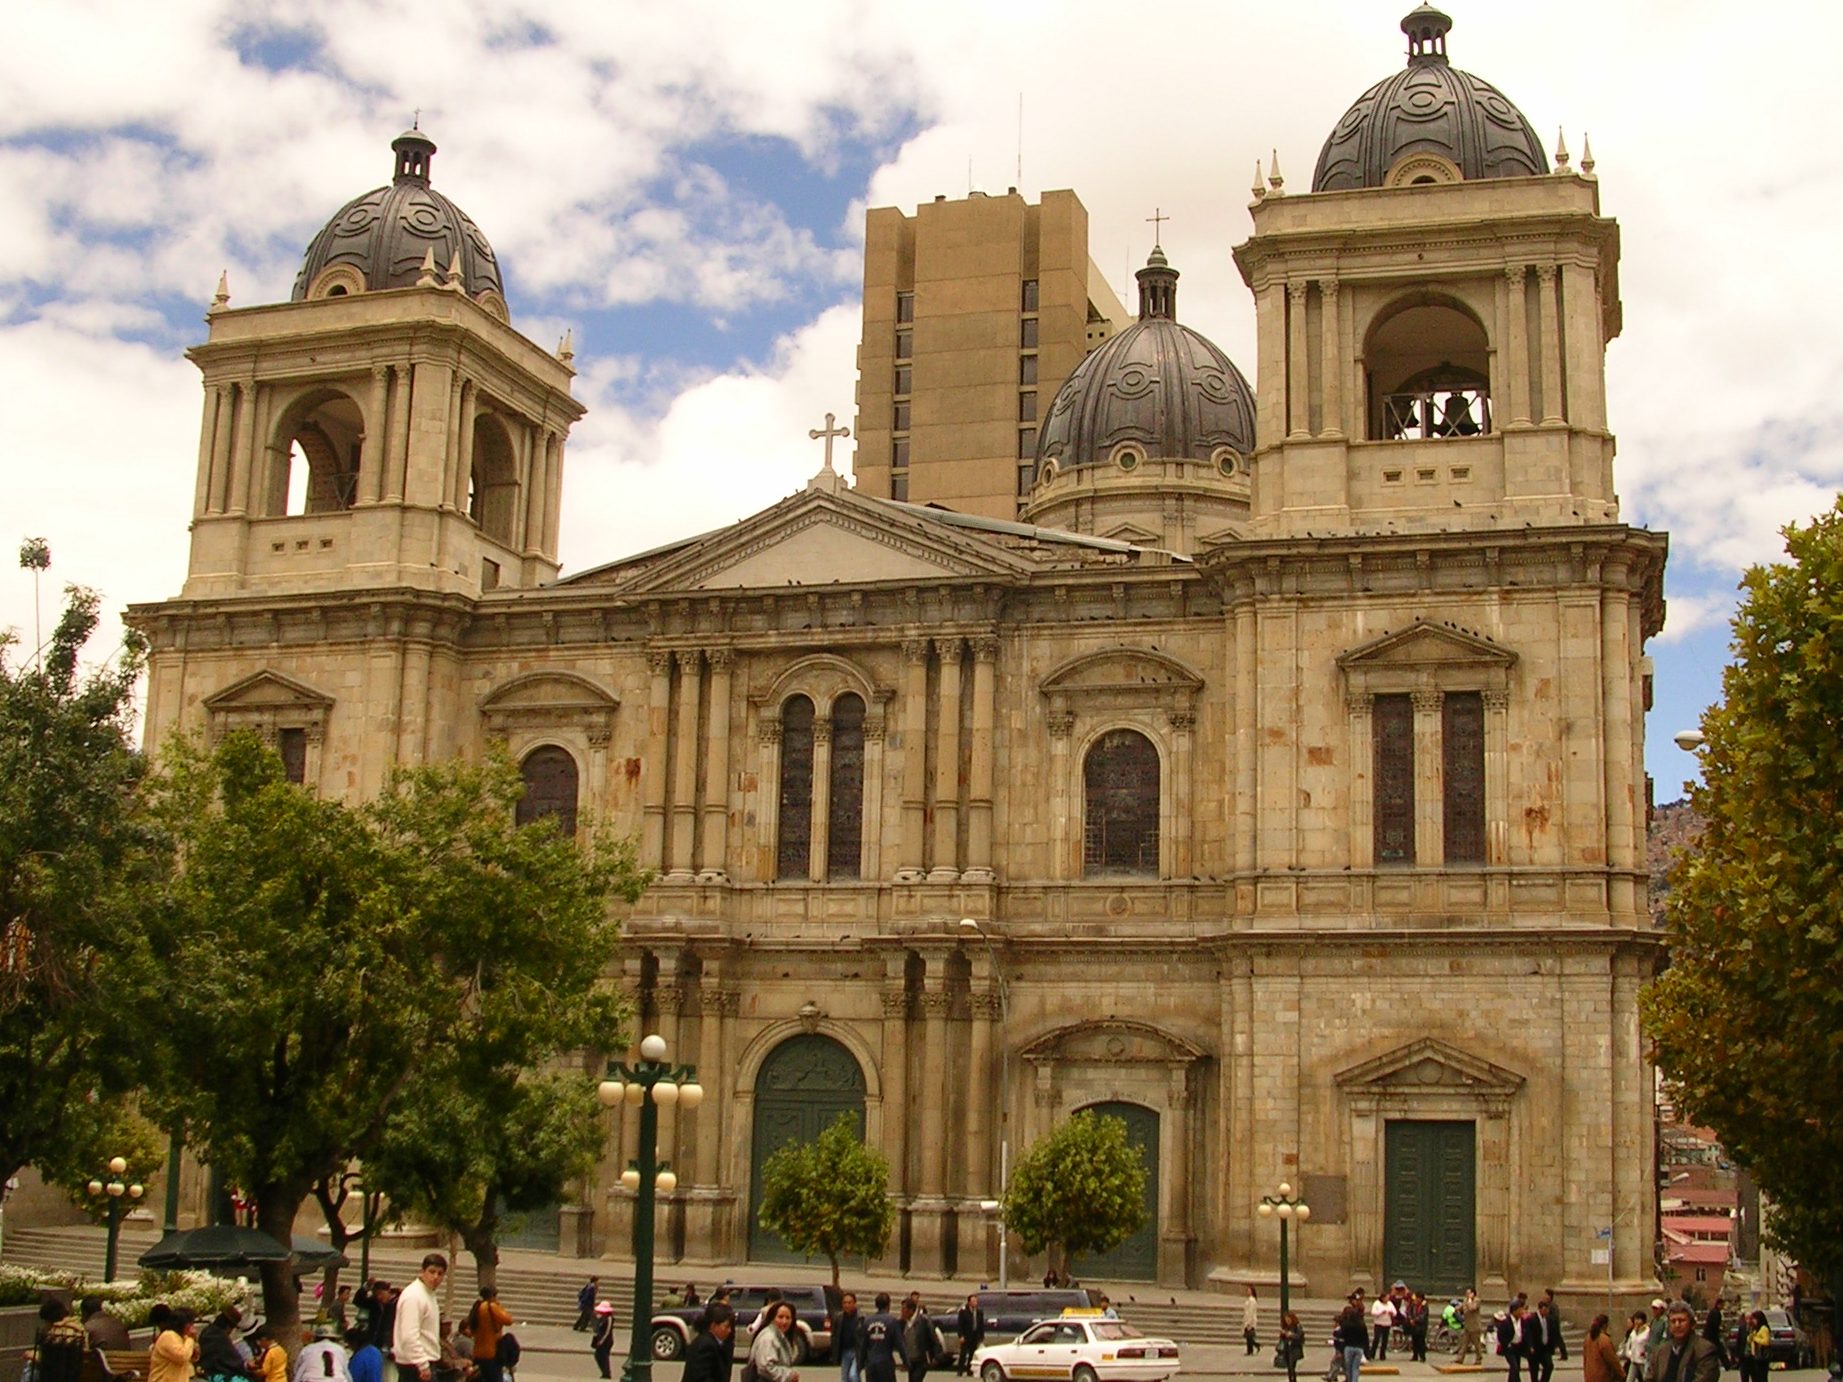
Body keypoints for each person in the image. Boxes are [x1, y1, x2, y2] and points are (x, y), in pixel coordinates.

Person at [394, 1254, 449, 1382]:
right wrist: (422, 1364)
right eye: (432, 1272)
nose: (435, 1277)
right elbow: (409, 1335)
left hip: (423, 1360)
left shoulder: (427, 1293)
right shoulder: (414, 1296)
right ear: (423, 1271)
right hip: (416, 1364)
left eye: (440, 1274)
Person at [1644, 1301, 1720, 1382]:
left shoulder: (1704, 1350)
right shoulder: (1659, 1352)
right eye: (1673, 1321)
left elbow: (1705, 1378)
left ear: (1692, 1324)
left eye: (1681, 1320)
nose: (1677, 1325)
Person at [30, 1298, 90, 1382]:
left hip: (54, 1376)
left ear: (49, 1320)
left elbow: (48, 1361)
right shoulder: (80, 1329)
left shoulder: (52, 1334)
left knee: (29, 1366)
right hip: (76, 1375)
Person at [465, 1287, 514, 1382]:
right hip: (492, 1352)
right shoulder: (490, 1307)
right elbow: (508, 1320)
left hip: (479, 1352)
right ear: (492, 1296)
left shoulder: (477, 1306)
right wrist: (498, 1306)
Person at [860, 1293, 906, 1382]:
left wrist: (861, 1362)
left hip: (871, 1362)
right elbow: (900, 1343)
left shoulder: (867, 1321)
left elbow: (863, 1344)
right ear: (888, 1305)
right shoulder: (892, 1321)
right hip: (886, 1362)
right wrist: (906, 1361)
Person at [751, 1302, 803, 1382]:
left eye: (788, 1318)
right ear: (772, 1318)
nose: (784, 1321)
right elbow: (766, 1367)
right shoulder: (768, 1338)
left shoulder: (779, 1336)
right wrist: (789, 1375)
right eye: (780, 1317)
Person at [684, 1303, 734, 1382]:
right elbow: (701, 1377)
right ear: (713, 1325)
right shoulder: (706, 1345)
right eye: (726, 1326)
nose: (729, 1330)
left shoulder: (714, 1342)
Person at [149, 1309, 200, 1382]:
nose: (193, 1327)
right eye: (191, 1324)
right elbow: (182, 1356)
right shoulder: (168, 1336)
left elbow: (193, 1357)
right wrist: (190, 1338)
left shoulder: (182, 1337)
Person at [198, 1309, 249, 1382]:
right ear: (228, 1326)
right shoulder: (221, 1338)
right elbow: (233, 1359)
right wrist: (245, 1367)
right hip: (218, 1374)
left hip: (208, 1371)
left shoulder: (207, 1331)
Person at [1337, 1297, 1369, 1382]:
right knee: (1355, 1367)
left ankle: (1350, 1380)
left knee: (1349, 1367)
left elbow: (1342, 1336)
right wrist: (1365, 1349)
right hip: (1359, 1348)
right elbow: (1365, 1337)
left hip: (1349, 1347)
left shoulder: (1346, 1325)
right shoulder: (1362, 1325)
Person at [1524, 1299, 1558, 1382]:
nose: (1546, 1311)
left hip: (1545, 1348)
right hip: (1535, 1349)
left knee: (1549, 1366)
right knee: (1534, 1371)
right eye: (1545, 1309)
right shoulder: (1532, 1319)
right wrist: (1530, 1346)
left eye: (1547, 1309)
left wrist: (1553, 1345)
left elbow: (1552, 1333)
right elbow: (1528, 1334)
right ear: (1540, 1309)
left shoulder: (1549, 1319)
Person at [1584, 1316, 1622, 1382]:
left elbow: (1585, 1358)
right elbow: (1612, 1359)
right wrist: (1621, 1374)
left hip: (1589, 1374)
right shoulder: (1604, 1339)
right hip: (1602, 1375)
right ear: (1605, 1325)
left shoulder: (1588, 1338)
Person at [954, 1295, 984, 1376]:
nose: (975, 1303)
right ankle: (960, 1370)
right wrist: (961, 1336)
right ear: (969, 1302)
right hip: (966, 1335)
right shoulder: (963, 1312)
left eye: (976, 1301)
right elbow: (960, 1325)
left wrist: (981, 1336)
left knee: (972, 1353)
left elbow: (981, 1325)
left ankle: (969, 1369)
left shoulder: (979, 1312)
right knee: (963, 1353)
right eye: (973, 1301)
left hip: (975, 1335)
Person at [837, 1292, 863, 1382]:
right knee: (845, 1378)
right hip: (845, 1351)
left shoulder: (861, 1318)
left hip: (856, 1351)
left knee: (853, 1375)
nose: (846, 1305)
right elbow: (835, 1336)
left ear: (854, 1304)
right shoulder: (839, 1318)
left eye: (849, 1302)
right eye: (844, 1303)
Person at [1457, 1290, 1486, 1365]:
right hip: (1467, 1325)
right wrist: (1456, 1309)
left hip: (1475, 1326)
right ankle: (1460, 1358)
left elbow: (1472, 1308)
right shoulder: (1465, 1300)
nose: (1467, 1294)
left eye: (1469, 1293)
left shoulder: (1477, 1301)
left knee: (1476, 1344)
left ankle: (1479, 1358)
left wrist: (1469, 1300)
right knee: (1464, 1343)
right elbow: (1461, 1307)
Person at [1740, 1310, 1770, 1382]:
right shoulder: (1756, 1329)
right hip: (1755, 1357)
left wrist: (1755, 1339)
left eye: (1754, 1319)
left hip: (1762, 1356)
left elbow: (1766, 1342)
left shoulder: (1764, 1329)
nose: (1753, 1321)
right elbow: (1749, 1339)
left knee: (1762, 1377)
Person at [590, 1304, 617, 1380]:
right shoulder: (601, 1318)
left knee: (603, 1356)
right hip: (601, 1339)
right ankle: (605, 1372)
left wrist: (602, 1340)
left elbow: (607, 1331)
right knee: (598, 1356)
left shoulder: (609, 1318)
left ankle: (606, 1373)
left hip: (606, 1341)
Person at [1540, 1292, 1568, 1364]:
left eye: (1546, 1295)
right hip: (1551, 1326)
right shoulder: (1549, 1305)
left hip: (1554, 1326)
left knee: (1559, 1340)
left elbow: (1555, 1316)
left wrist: (1547, 1316)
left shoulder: (1553, 1306)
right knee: (1557, 1340)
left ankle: (1564, 1354)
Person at [1622, 1312, 1651, 1382]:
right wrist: (1629, 1353)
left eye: (1639, 1319)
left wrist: (1646, 1353)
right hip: (1634, 1360)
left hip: (1642, 1360)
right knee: (1629, 1379)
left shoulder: (1647, 1331)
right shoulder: (1633, 1331)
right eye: (1635, 1319)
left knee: (1646, 1378)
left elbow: (1649, 1344)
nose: (1637, 1321)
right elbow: (1630, 1343)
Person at [1277, 1310, 1305, 1382]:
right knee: (1289, 1366)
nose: (1287, 1321)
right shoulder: (1286, 1327)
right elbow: (1282, 1338)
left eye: (1288, 1320)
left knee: (1292, 1364)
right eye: (1286, 1320)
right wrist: (1283, 1334)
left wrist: (1291, 1335)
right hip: (1287, 1348)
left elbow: (1300, 1336)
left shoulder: (1297, 1326)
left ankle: (1293, 1379)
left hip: (1295, 1348)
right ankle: (1291, 1379)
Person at [1703, 1301, 1727, 1372]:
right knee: (1720, 1350)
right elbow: (1715, 1324)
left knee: (1717, 1350)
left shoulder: (1713, 1312)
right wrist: (1720, 1329)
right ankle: (1727, 1364)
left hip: (1710, 1335)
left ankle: (1726, 1364)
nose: (1723, 1307)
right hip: (1712, 1336)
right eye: (1722, 1305)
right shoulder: (1716, 1313)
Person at [1371, 1293, 1395, 1361]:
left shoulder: (1390, 1304)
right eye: (1386, 1298)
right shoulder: (1377, 1303)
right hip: (1378, 1323)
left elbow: (1394, 1312)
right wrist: (1380, 1312)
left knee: (1385, 1340)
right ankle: (1372, 1353)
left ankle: (1382, 1355)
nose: (1387, 1299)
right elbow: (1373, 1312)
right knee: (1377, 1338)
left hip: (1387, 1323)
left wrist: (1391, 1313)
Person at [1405, 1293, 1428, 1363]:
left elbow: (1423, 1316)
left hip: (1421, 1327)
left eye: (1418, 1298)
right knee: (1414, 1341)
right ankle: (1415, 1356)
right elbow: (1409, 1312)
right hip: (1414, 1327)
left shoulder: (1424, 1306)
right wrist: (1411, 1319)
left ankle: (1422, 1356)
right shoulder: (1413, 1305)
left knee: (1421, 1342)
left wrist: (1415, 1320)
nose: (1417, 1300)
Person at [1244, 1288, 1260, 1356]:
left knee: (1249, 1336)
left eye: (1249, 1291)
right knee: (1248, 1337)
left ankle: (1253, 1348)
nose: (1248, 1292)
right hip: (1248, 1318)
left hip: (1251, 1320)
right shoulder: (1249, 1299)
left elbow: (1251, 1311)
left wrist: (1249, 1322)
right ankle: (1250, 1350)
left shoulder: (1252, 1300)